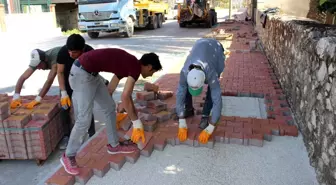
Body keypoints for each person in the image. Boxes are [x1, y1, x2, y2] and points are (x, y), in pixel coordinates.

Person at [60, 48, 162, 175]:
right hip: (81, 74)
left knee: (109, 107)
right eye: (153, 72)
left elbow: (111, 89)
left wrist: (127, 109)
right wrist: (136, 123)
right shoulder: (135, 68)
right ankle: (68, 156)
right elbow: (125, 96)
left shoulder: (129, 64)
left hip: (92, 75)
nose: (151, 75)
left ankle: (114, 146)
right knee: (84, 119)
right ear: (149, 67)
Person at [56, 34, 108, 149]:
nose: (70, 54)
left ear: (82, 50)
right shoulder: (63, 52)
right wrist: (63, 92)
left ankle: (91, 134)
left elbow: (95, 72)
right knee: (65, 108)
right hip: (68, 82)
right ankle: (67, 136)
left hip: (84, 83)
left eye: (74, 52)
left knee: (86, 109)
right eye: (69, 51)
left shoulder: (90, 52)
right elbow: (59, 72)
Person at [176, 38, 226, 144]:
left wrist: (211, 126)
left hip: (215, 50)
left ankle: (205, 115)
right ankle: (188, 109)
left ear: (204, 80)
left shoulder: (211, 73)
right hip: (199, 45)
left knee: (211, 93)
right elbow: (180, 94)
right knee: (184, 88)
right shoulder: (185, 72)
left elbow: (217, 100)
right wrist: (181, 119)